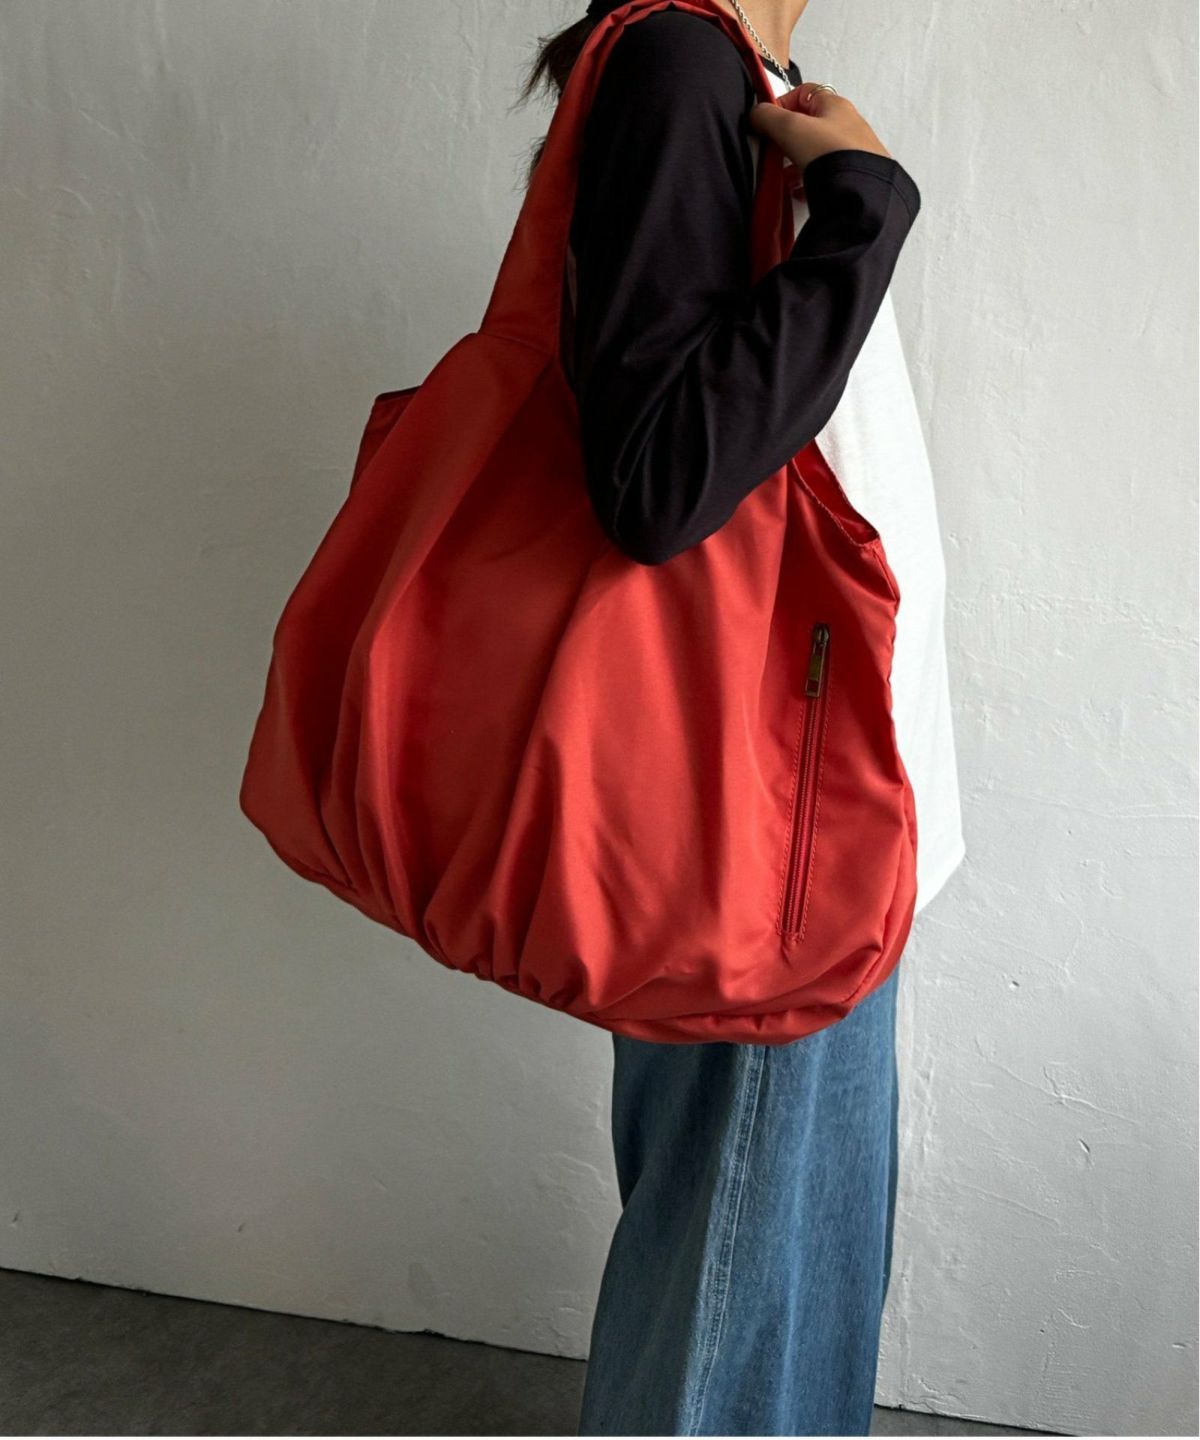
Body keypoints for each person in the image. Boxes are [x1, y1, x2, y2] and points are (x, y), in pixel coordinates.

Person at [523, 1, 966, 1433]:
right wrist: (864, 212)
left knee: (792, 1284)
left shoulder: (747, 75)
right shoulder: (681, 65)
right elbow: (660, 478)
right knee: (734, 1308)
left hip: (829, 806)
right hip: (770, 821)